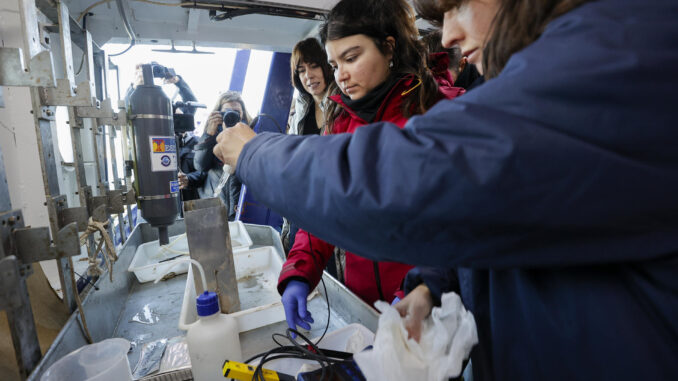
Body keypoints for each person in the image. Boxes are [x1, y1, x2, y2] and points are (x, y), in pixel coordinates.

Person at [213, 0, 678, 379]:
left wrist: (256, 154)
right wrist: (429, 285)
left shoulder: (611, 60)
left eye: (459, 5)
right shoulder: (599, 54)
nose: (450, 35)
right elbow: (498, 215)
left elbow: (407, 183)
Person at [277, 0, 465, 335]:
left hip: (428, 307)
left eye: (351, 58)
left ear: (388, 47)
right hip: (362, 308)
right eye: (335, 64)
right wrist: (299, 272)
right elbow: (326, 206)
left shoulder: (439, 112)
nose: (341, 75)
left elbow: (463, 225)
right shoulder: (339, 121)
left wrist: (423, 288)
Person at [281, 37, 334, 254]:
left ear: (328, 67)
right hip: (302, 205)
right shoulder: (301, 110)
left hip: (331, 207)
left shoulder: (344, 103)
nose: (308, 76)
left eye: (314, 66)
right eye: (301, 70)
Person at [194, 91, 251, 220]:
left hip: (240, 206)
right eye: (226, 111)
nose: (231, 115)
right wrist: (209, 135)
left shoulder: (250, 133)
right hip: (215, 206)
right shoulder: (211, 135)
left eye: (236, 111)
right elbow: (200, 166)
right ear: (218, 114)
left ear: (242, 113)